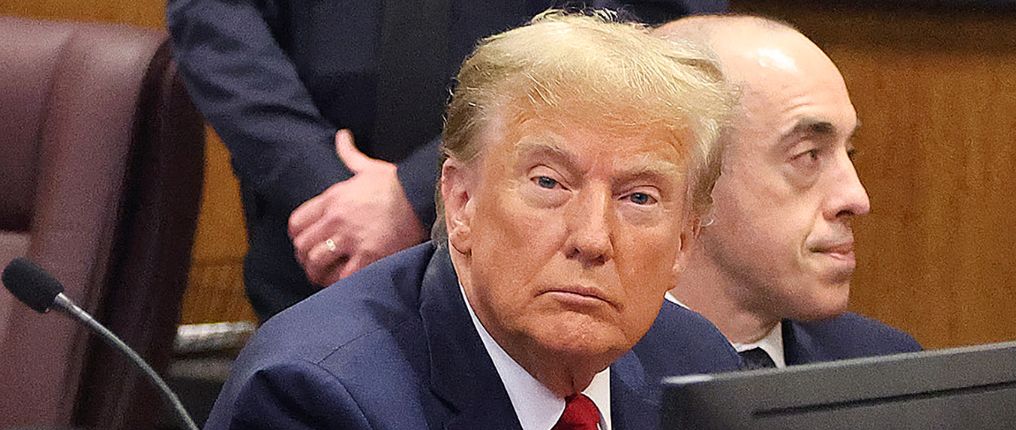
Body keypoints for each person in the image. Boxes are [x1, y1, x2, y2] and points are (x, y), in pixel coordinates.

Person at [146, 12, 738, 430]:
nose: (592, 238)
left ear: (684, 243)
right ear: (460, 202)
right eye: (549, 183)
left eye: (639, 197)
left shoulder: (694, 372)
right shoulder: (322, 404)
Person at [167, 0, 727, 321]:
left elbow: (653, 28)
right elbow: (218, 21)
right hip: (313, 243)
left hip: (551, 226)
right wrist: (321, 186)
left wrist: (417, 191)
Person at [656, 15, 920, 369]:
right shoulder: (595, 384)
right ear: (688, 175)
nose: (857, 198)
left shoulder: (885, 367)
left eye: (849, 153)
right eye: (809, 155)